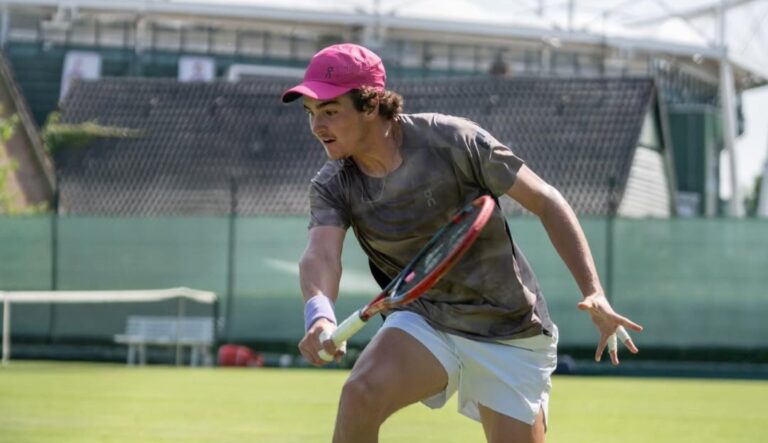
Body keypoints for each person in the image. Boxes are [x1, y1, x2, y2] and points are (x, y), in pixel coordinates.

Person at [283, 43, 643, 443]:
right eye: (311, 114)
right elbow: (320, 255)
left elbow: (546, 200)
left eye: (330, 112)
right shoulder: (334, 183)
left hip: (509, 328)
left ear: (370, 105)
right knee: (359, 394)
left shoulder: (454, 140)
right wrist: (319, 315)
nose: (317, 127)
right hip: (425, 317)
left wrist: (594, 292)